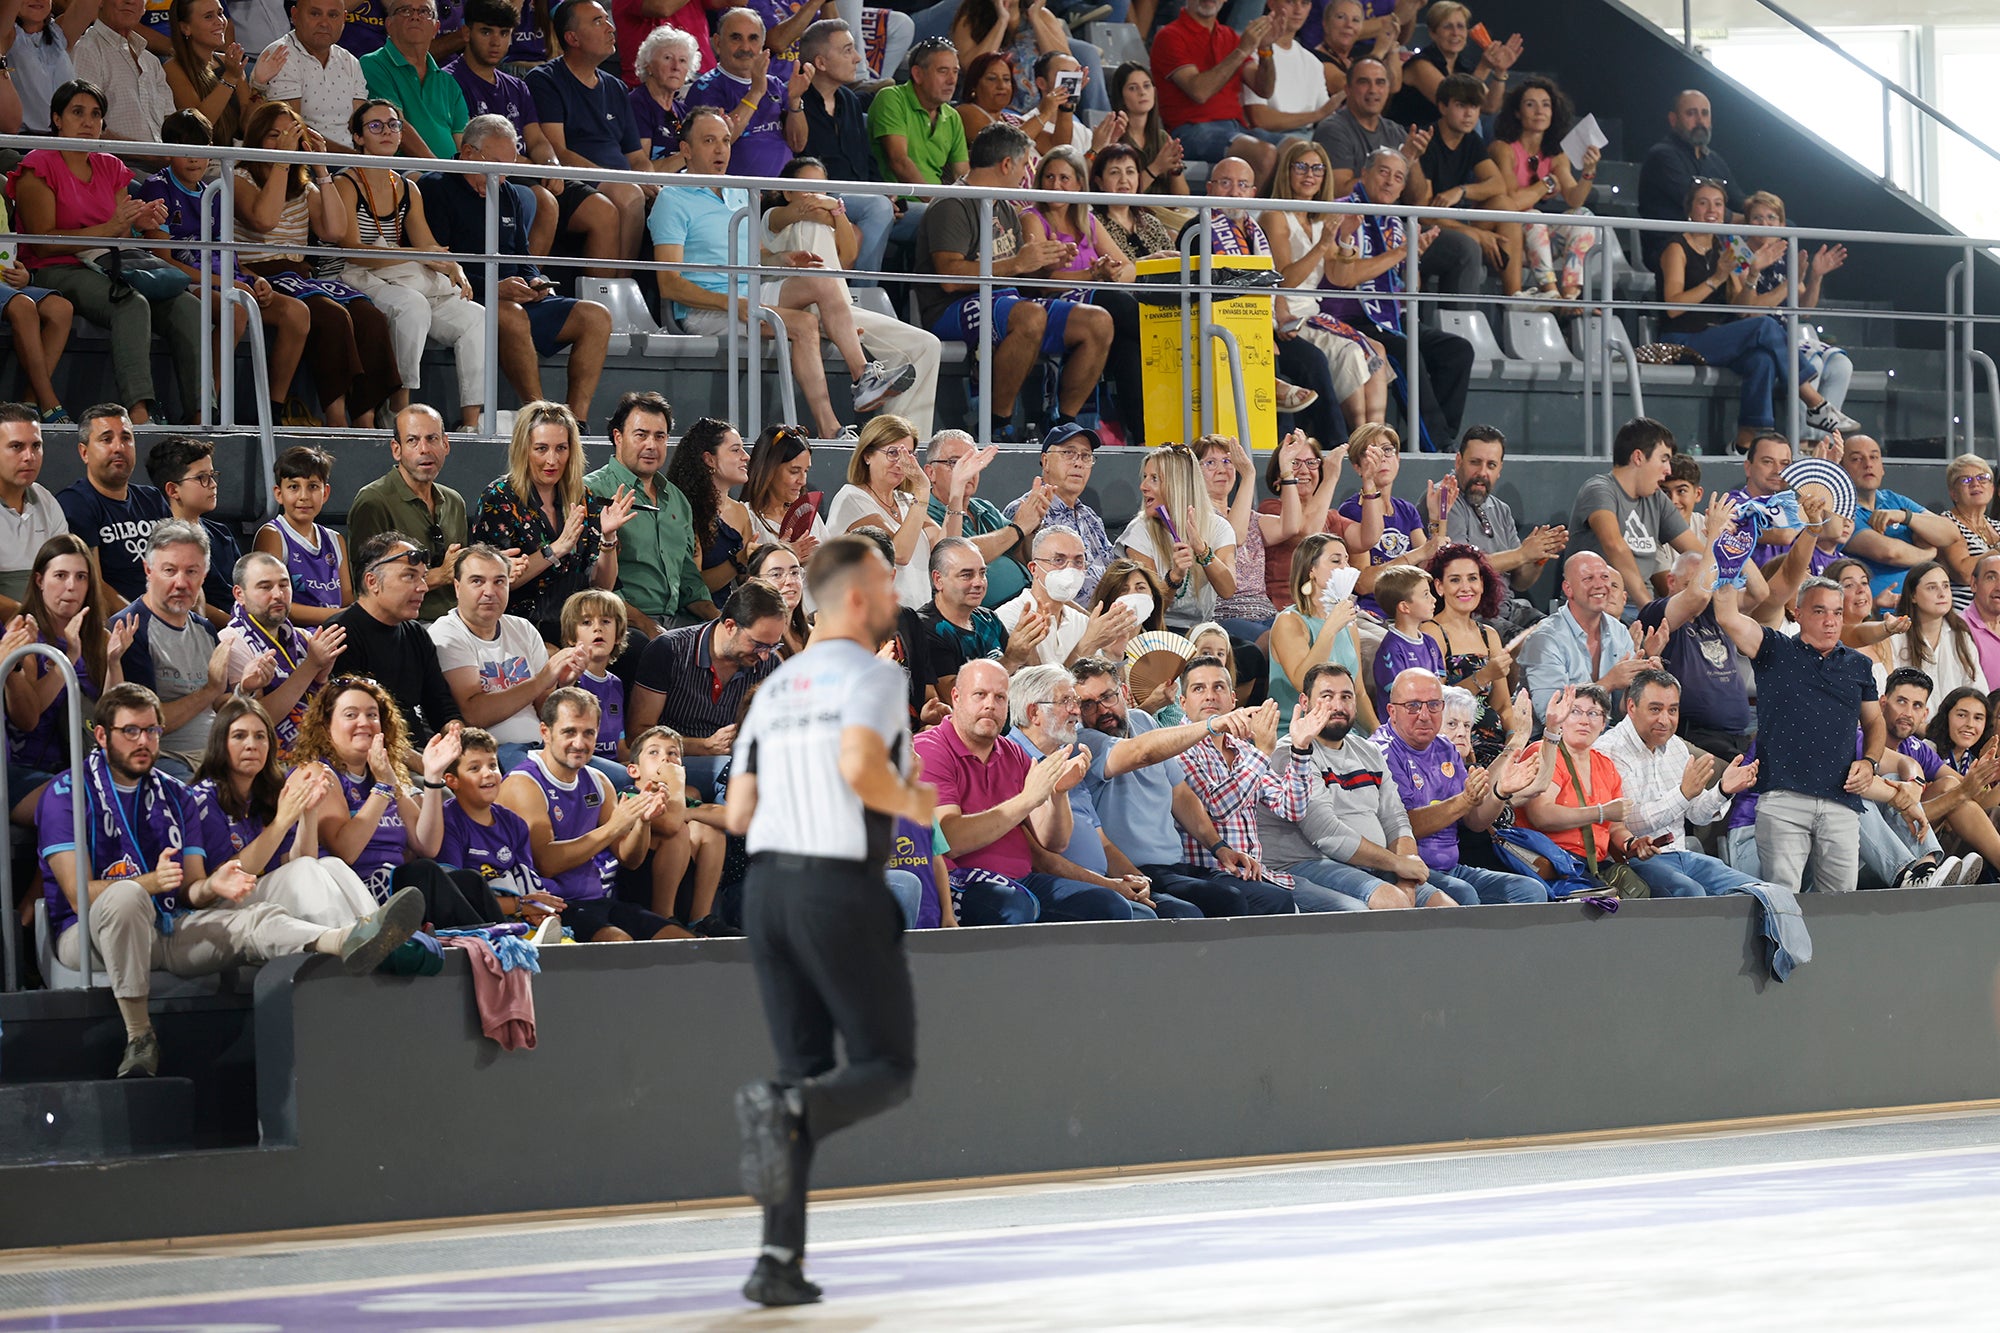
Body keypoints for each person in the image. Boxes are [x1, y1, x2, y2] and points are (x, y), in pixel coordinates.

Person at [718, 535, 932, 1306]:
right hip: (836, 883)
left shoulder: (772, 689)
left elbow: (738, 809)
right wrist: (916, 800)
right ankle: (792, 1112)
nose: (896, 597)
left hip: (767, 891)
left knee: (796, 1069)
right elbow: (857, 766)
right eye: (884, 584)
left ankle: (777, 1260)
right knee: (886, 1065)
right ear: (851, 599)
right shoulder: (876, 675)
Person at [38, 682, 424, 1079]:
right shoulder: (67, 793)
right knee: (126, 896)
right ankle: (140, 1037)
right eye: (130, 731)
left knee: (260, 916)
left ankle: (348, 941)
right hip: (89, 934)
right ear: (101, 736)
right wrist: (152, 882)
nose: (144, 741)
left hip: (169, 925)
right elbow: (77, 896)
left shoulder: (174, 795)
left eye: (152, 730)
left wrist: (212, 885)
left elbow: (191, 890)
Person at [648, 109, 885, 440]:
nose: (720, 150)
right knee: (802, 325)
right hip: (708, 308)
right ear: (685, 150)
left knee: (822, 277)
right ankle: (831, 429)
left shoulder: (740, 191)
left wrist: (783, 258)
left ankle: (864, 378)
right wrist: (736, 303)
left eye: (726, 141)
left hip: (752, 292)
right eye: (709, 141)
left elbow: (754, 255)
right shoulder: (671, 199)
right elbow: (669, 285)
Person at [9, 83, 202, 424]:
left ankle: (202, 413)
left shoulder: (110, 165)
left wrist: (139, 220)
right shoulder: (39, 164)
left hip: (109, 262)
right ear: (57, 119)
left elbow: (120, 231)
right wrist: (110, 229)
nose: (88, 121)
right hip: (56, 266)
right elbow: (42, 243)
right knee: (131, 304)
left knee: (188, 306)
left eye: (96, 114)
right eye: (77, 112)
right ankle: (140, 410)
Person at [914, 123, 1113, 440]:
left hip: (1006, 301)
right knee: (1029, 316)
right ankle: (996, 425)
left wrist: (1046, 264)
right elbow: (949, 277)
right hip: (950, 308)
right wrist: (1018, 262)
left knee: (1098, 322)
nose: (1026, 173)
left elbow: (1018, 274)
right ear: (1007, 164)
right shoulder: (952, 203)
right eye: (1024, 164)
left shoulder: (1005, 205)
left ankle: (1062, 425)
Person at [420, 116, 614, 427]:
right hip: (468, 299)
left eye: (507, 166)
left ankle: (576, 423)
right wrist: (493, 288)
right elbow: (438, 267)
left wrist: (534, 279)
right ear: (468, 153)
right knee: (509, 312)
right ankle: (540, 419)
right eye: (494, 165)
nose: (500, 176)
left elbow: (522, 255)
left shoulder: (507, 191)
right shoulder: (435, 187)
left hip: (514, 296)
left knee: (597, 316)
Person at [914, 657, 1137, 925]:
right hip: (963, 881)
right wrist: (1027, 799)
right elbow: (950, 840)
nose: (990, 705)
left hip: (1023, 880)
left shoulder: (1014, 754)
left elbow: (1053, 843)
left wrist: (1058, 793)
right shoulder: (929, 748)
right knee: (1014, 907)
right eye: (980, 695)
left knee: (1110, 906)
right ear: (956, 697)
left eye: (1000, 697)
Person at [1710, 577, 1883, 893]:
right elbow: (1727, 617)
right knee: (1783, 900)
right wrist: (1725, 573)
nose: (1830, 621)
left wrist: (1870, 761)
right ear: (1797, 612)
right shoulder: (1774, 649)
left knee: (1841, 904)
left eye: (1837, 612)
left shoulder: (1859, 665)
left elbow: (1875, 723)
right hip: (1783, 799)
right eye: (1819, 611)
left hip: (1841, 801)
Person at [1656, 179, 1853, 453]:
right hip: (1682, 338)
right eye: (1703, 203)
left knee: (1762, 360)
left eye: (1718, 204)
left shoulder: (1728, 247)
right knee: (1763, 324)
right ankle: (1813, 401)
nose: (1711, 209)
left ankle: (1744, 444)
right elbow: (1673, 308)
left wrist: (1753, 272)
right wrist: (1717, 278)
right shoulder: (1677, 247)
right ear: (1690, 210)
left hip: (1719, 335)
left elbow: (1740, 305)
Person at [1007, 664, 1206, 919]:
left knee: (1184, 914)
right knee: (1131, 913)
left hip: (1103, 883)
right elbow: (1044, 860)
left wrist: (1140, 883)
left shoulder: (1066, 756)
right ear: (1034, 712)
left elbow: (1104, 843)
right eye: (1066, 701)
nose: (1076, 711)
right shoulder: (1010, 759)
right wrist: (1112, 887)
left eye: (1074, 701)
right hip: (1064, 888)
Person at [760, 156, 940, 433]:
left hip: (840, 309)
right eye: (807, 189)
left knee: (926, 345)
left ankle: (900, 451)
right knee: (811, 224)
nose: (815, 196)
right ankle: (858, 366)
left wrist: (837, 210)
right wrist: (830, 206)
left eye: (822, 189)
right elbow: (804, 213)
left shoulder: (830, 217)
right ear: (786, 192)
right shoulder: (771, 218)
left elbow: (848, 257)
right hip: (798, 306)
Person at [293, 674, 495, 920]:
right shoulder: (320, 773)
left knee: (468, 880)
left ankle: (507, 941)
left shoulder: (382, 773)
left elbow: (427, 844)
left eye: (372, 715)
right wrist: (383, 787)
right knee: (424, 873)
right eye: (350, 715)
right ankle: (490, 940)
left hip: (398, 886)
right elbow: (345, 851)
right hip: (355, 894)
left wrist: (432, 776)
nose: (364, 722)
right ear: (325, 726)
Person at [497, 686, 686, 941]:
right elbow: (547, 863)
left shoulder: (599, 781)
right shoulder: (524, 783)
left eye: (588, 733)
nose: (580, 743)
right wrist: (614, 826)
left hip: (597, 901)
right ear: (546, 732)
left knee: (679, 939)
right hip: (548, 906)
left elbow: (630, 859)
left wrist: (642, 821)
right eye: (569, 732)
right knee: (619, 944)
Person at [1319, 147, 1475, 451]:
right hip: (1347, 317)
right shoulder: (1341, 212)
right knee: (1404, 349)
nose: (1390, 182)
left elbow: (1406, 287)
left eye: (1398, 177)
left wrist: (1414, 256)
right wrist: (1402, 251)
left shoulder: (1397, 220)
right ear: (1363, 174)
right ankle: (1436, 445)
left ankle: (1437, 438)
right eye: (1383, 172)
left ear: (1404, 187)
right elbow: (1347, 277)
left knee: (1458, 351)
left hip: (1391, 315)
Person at [189, 697, 381, 928]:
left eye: (260, 737)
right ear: (220, 743)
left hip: (265, 900)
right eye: (239, 736)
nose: (251, 745)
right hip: (221, 907)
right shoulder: (203, 797)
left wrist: (309, 813)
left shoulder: (270, 792)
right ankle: (349, 941)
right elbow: (226, 877)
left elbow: (300, 860)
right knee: (303, 872)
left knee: (331, 864)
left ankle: (379, 934)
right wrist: (281, 822)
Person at [1372, 665, 1547, 903]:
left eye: (1433, 705)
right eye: (1413, 706)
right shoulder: (1382, 752)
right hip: (1403, 871)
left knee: (1530, 890)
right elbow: (1404, 827)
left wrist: (1499, 792)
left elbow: (1474, 822)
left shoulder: (1445, 747)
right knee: (1464, 894)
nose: (1424, 714)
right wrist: (1463, 801)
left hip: (1452, 868)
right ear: (1392, 711)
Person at [1590, 667, 1768, 897]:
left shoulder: (1676, 746)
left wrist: (1723, 790)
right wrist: (1683, 794)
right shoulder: (1607, 751)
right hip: (1636, 860)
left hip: (1683, 855)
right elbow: (1630, 823)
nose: (1665, 720)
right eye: (1655, 709)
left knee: (1759, 892)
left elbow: (1697, 815)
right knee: (1691, 893)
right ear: (1632, 707)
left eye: (1672, 710)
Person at [471, 400, 635, 643]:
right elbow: (495, 583)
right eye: (541, 449)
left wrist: (608, 538)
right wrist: (556, 549)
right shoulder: (499, 498)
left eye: (561, 448)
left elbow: (602, 587)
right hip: (522, 625)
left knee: (636, 648)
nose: (552, 460)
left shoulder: (583, 497)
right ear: (523, 449)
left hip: (579, 624)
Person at [1020, 145, 1149, 445]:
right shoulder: (1032, 217)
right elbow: (1043, 282)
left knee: (1129, 346)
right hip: (1051, 304)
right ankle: (1171, 345)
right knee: (1116, 303)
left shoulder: (1087, 220)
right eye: (1049, 177)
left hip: (1096, 302)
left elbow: (1127, 266)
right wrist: (1094, 276)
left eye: (1064, 178)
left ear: (1079, 183)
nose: (1055, 185)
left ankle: (1142, 439)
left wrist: (1111, 272)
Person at [1258, 139, 1389, 432]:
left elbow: (1339, 277)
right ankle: (1356, 434)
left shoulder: (1319, 219)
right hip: (1288, 315)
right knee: (1351, 352)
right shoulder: (1275, 215)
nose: (1310, 174)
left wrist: (1344, 241)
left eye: (1317, 168)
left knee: (1377, 349)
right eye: (1301, 166)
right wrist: (1323, 244)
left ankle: (1375, 435)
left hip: (1313, 313)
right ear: (1287, 172)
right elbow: (1283, 280)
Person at [627, 580, 789, 799]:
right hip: (671, 762)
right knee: (737, 774)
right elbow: (638, 735)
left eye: (773, 646)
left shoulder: (769, 665)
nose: (765, 655)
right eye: (758, 645)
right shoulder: (669, 650)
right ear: (730, 625)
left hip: (736, 764)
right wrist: (705, 746)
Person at [5, 534, 129, 820]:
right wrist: (69, 658)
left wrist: (113, 661)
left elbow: (110, 717)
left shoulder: (98, 636)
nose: (71, 586)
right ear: (39, 580)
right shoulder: (23, 632)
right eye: (60, 575)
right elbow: (28, 718)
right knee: (85, 808)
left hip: (80, 764)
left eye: (81, 577)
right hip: (24, 769)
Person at [430, 545, 583, 769]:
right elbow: (473, 714)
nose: (490, 591)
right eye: (477, 581)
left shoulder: (523, 628)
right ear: (457, 587)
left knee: (620, 779)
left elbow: (545, 709)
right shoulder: (446, 633)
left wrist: (564, 683)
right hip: (491, 756)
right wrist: (542, 679)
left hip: (541, 746)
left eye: (499, 581)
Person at [525, 0, 652, 265]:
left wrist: (653, 183)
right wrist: (617, 180)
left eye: (607, 19)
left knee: (669, 202)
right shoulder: (545, 80)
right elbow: (558, 150)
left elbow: (637, 157)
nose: (611, 28)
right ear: (572, 38)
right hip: (576, 181)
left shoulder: (617, 87)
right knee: (629, 195)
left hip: (619, 181)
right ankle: (616, 291)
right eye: (598, 21)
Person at [107, 520, 234, 780]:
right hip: (165, 760)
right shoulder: (129, 630)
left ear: (204, 575)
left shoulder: (206, 629)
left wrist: (246, 693)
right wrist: (209, 690)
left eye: (191, 572)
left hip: (216, 752)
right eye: (169, 570)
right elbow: (146, 723)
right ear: (148, 570)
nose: (181, 583)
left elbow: (222, 699)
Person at [586, 391, 716, 637]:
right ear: (618, 437)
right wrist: (647, 625)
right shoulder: (592, 491)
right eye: (641, 435)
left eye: (660, 436)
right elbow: (594, 586)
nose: (651, 445)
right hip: (619, 621)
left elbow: (689, 580)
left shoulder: (677, 500)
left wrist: (721, 619)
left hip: (677, 621)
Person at [327, 532, 464, 744]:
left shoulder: (416, 634)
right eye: (409, 576)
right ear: (372, 582)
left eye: (423, 577)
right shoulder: (340, 635)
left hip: (421, 754)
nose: (423, 587)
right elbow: (361, 730)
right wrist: (428, 769)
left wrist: (461, 742)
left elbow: (441, 708)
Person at [345, 406, 469, 623]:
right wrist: (439, 575)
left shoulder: (454, 501)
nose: (425, 449)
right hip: (404, 626)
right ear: (396, 449)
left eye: (432, 439)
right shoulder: (373, 501)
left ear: (446, 444)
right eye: (413, 440)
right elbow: (367, 589)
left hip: (458, 620)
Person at [1483, 74, 1600, 302]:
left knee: (1583, 216)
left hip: (1537, 243)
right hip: (1509, 238)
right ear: (1517, 112)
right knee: (1533, 215)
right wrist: (1544, 184)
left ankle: (1570, 295)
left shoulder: (1556, 155)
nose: (1540, 111)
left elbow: (1574, 200)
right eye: (1530, 104)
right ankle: (1550, 293)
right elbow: (1512, 203)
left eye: (1546, 105)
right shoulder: (1502, 148)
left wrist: (1588, 171)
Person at [1742, 190, 1855, 423]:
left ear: (1782, 224)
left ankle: (1822, 442)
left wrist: (1815, 276)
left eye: (1771, 218)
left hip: (1791, 335)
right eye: (1757, 218)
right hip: (1760, 339)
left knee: (1841, 365)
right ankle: (1802, 442)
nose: (1765, 224)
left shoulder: (1785, 253)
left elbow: (1804, 310)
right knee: (1810, 363)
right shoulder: (1739, 254)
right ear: (1747, 223)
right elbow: (1750, 311)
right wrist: (1790, 283)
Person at [1517, 551, 1664, 727]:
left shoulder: (1619, 632)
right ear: (1568, 589)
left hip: (1605, 736)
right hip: (1550, 743)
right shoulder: (1544, 639)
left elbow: (1621, 710)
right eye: (1588, 579)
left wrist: (1648, 679)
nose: (1600, 585)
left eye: (1604, 577)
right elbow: (1552, 716)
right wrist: (1608, 683)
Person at [796, 19, 897, 274]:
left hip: (863, 197)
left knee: (929, 216)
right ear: (820, 63)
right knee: (878, 207)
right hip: (823, 196)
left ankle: (916, 306)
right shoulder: (797, 102)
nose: (858, 59)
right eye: (848, 50)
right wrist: (880, 201)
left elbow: (867, 157)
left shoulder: (850, 100)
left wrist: (886, 192)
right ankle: (862, 295)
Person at [1566, 416, 1700, 607]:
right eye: (1663, 460)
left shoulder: (1656, 498)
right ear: (1638, 457)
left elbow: (1697, 552)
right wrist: (1648, 609)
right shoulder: (1599, 489)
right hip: (1598, 607)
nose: (1668, 470)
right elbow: (1615, 546)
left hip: (1638, 609)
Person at [219, 550, 345, 754]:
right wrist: (311, 666)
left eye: (284, 585)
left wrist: (321, 678)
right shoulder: (231, 641)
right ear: (239, 594)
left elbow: (326, 709)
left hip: (317, 748)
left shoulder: (302, 637)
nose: (278, 594)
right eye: (265, 587)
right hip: (269, 760)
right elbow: (259, 719)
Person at [1444, 425, 1562, 635]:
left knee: (1561, 633)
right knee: (1532, 644)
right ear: (1458, 461)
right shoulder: (1444, 498)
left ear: (1499, 470)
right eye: (1475, 462)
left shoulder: (1501, 509)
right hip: (1471, 612)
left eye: (1491, 465)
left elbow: (1520, 582)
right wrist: (1521, 554)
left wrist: (1537, 558)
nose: (1482, 473)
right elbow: (1460, 567)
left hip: (1509, 608)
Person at [54, 405, 170, 610]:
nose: (119, 447)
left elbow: (177, 565)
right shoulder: (75, 503)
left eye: (126, 438)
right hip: (118, 625)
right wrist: (146, 622)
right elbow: (94, 585)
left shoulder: (152, 499)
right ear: (84, 452)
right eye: (106, 439)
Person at [1148, 0, 1275, 182]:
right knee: (1264, 154)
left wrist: (1265, 50)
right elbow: (1199, 91)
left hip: (1236, 128)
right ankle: (1250, 212)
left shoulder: (1229, 36)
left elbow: (1264, 89)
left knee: (1296, 149)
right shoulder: (1169, 36)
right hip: (1190, 131)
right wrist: (1242, 50)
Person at [826, 414, 942, 611]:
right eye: (893, 453)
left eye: (908, 454)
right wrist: (922, 489)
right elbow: (899, 553)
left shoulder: (907, 501)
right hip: (874, 618)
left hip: (916, 617)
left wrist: (957, 493)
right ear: (867, 455)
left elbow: (945, 547)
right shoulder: (851, 497)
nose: (901, 463)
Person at [1119, 444, 1237, 631]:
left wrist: (1202, 550)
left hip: (1200, 629)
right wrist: (1174, 577)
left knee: (1249, 653)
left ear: (1177, 485)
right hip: (1157, 629)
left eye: (1154, 479)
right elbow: (1150, 610)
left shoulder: (1218, 527)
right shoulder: (1138, 533)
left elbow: (1228, 589)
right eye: (1145, 477)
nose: (1143, 486)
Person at [1842, 433, 1971, 604]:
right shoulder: (1842, 510)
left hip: (1917, 611)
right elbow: (1889, 552)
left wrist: (1905, 516)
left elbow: (1951, 532)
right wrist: (1929, 552)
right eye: (1857, 459)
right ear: (1841, 467)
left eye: (1874, 457)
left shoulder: (1895, 500)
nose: (1868, 464)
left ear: (1882, 468)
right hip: (1877, 615)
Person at [683, 7, 807, 178]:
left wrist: (794, 101)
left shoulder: (775, 84)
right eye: (736, 38)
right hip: (737, 195)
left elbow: (798, 144)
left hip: (783, 191)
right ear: (718, 43)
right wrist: (755, 92)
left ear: (763, 45)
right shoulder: (706, 88)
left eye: (753, 39)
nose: (746, 47)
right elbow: (716, 147)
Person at [1421, 542, 1516, 761]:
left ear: (1482, 584)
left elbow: (1503, 705)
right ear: (1439, 587)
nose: (1466, 587)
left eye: (1472, 578)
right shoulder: (1431, 632)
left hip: (1497, 743)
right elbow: (1436, 703)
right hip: (1455, 745)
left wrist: (1514, 741)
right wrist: (1483, 676)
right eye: (1455, 580)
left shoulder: (1489, 634)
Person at [922, 428, 1034, 609]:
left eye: (974, 462)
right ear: (930, 472)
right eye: (955, 463)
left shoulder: (984, 508)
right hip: (986, 614)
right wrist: (1018, 529)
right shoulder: (922, 511)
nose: (969, 471)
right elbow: (955, 555)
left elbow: (1021, 552)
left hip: (1028, 596)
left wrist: (1032, 525)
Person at [997, 527, 1141, 668]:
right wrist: (1087, 644)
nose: (1070, 569)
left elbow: (1099, 686)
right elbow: (1041, 690)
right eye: (1058, 560)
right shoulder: (1007, 619)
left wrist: (1114, 655)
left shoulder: (1082, 622)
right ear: (1034, 569)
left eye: (1078, 562)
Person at [1004, 422, 1114, 603]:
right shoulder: (1025, 510)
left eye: (1086, 456)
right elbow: (1031, 584)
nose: (1078, 463)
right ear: (1046, 461)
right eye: (1068, 453)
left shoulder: (1091, 517)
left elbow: (1112, 572)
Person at [1269, 532, 1372, 724]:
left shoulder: (1348, 625)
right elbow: (1303, 683)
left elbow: (1359, 692)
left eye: (1346, 561)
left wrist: (1379, 737)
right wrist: (1330, 627)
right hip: (1297, 731)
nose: (1345, 568)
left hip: (1342, 731)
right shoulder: (1289, 621)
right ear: (1311, 569)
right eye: (1336, 561)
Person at [919, 538, 1043, 696]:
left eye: (982, 573)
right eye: (966, 575)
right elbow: (953, 696)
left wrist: (1028, 642)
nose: (979, 582)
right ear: (938, 580)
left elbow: (1030, 683)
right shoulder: (925, 628)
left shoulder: (988, 618)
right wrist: (1011, 659)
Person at [1636, 88, 1742, 270]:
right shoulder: (1662, 156)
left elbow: (1739, 200)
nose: (1700, 121)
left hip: (1716, 241)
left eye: (1705, 114)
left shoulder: (1714, 160)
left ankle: (1763, 289)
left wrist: (1763, 213)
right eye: (1691, 114)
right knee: (1742, 257)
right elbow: (1700, 209)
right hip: (1673, 246)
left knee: (1776, 234)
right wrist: (1749, 221)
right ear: (1673, 119)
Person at [141, 434, 238, 627]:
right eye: (202, 478)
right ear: (173, 490)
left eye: (212, 475)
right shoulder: (162, 545)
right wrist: (238, 625)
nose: (213, 484)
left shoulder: (222, 534)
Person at [250, 445, 348, 628]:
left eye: (312, 487)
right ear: (279, 494)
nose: (304, 496)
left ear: (325, 492)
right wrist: (340, 616)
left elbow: (347, 600)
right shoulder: (273, 535)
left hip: (335, 632)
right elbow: (273, 604)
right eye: (294, 487)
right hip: (293, 638)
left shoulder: (336, 540)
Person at [0, 195, 77, 426]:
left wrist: (21, 274)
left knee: (60, 309)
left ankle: (29, 403)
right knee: (23, 305)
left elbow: (5, 251)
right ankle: (50, 403)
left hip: (3, 282)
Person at [1385, 0, 1517, 130]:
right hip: (1412, 137)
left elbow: (1490, 106)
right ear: (1433, 33)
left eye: (1460, 26)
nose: (1455, 33)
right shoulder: (1420, 64)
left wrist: (1500, 71)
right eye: (1448, 26)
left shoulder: (1462, 66)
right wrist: (1484, 67)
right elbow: (1454, 103)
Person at [1869, 562, 1989, 701]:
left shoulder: (1960, 634)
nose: (1942, 593)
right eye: (1932, 587)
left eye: (1946, 586)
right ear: (1913, 595)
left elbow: (1977, 690)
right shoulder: (1895, 636)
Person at [867, 35, 968, 199]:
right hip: (899, 205)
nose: (952, 80)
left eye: (955, 72)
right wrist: (935, 204)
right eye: (943, 71)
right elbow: (899, 161)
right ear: (918, 74)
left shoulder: (953, 117)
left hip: (936, 206)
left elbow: (962, 175)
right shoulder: (892, 98)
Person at [0, 407, 71, 618]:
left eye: (36, 446)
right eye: (16, 446)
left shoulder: (46, 500)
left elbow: (67, 572)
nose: (29, 456)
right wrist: (31, 618)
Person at [71, 0, 174, 143]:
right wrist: (144, 154)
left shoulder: (151, 62)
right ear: (100, 2)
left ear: (144, 7)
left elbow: (171, 122)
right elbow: (81, 126)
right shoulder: (86, 50)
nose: (130, 1)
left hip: (164, 162)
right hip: (113, 162)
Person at [1241, 0, 1341, 141]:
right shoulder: (1252, 51)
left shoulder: (1313, 62)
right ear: (1271, 3)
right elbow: (1260, 119)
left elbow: (1329, 117)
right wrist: (1316, 115)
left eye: (1304, 3)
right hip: (1270, 139)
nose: (1298, 10)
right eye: (1290, 2)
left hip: (1309, 138)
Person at [162, 0, 257, 145]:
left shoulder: (230, 63)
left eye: (220, 13)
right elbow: (196, 129)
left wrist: (260, 84)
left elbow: (248, 126)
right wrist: (230, 78)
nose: (220, 21)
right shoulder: (173, 69)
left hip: (239, 156)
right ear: (185, 28)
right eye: (208, 16)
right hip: (205, 160)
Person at [0, 0, 96, 138]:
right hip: (23, 143)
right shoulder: (6, 35)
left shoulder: (59, 33)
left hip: (65, 141)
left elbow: (88, 4)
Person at [742, 422, 829, 560]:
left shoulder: (808, 513)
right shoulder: (746, 517)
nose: (803, 481)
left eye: (806, 471)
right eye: (794, 471)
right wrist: (784, 555)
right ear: (769, 469)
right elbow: (744, 576)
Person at [1108, 61, 1189, 198]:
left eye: (1147, 86)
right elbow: (1121, 195)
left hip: (1164, 215)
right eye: (1133, 88)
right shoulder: (1113, 137)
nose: (1142, 92)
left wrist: (1175, 170)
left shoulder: (1162, 137)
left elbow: (1183, 198)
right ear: (1121, 96)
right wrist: (1156, 167)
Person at [1089, 144, 1180, 265]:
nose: (1123, 179)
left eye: (1130, 172)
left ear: (1138, 178)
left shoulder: (1152, 223)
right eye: (1114, 172)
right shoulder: (1092, 224)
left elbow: (1175, 266)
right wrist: (1145, 264)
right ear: (1099, 182)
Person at [628, 22, 694, 171]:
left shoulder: (682, 111)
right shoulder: (637, 104)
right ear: (648, 65)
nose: (676, 66)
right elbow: (640, 171)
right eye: (667, 58)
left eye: (683, 60)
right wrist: (692, 153)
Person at [1940, 455, 1997, 614]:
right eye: (1965, 480)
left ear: (1992, 489)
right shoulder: (1947, 523)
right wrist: (1995, 552)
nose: (1975, 483)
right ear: (1953, 493)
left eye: (1982, 478)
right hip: (1965, 616)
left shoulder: (1997, 526)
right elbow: (1964, 573)